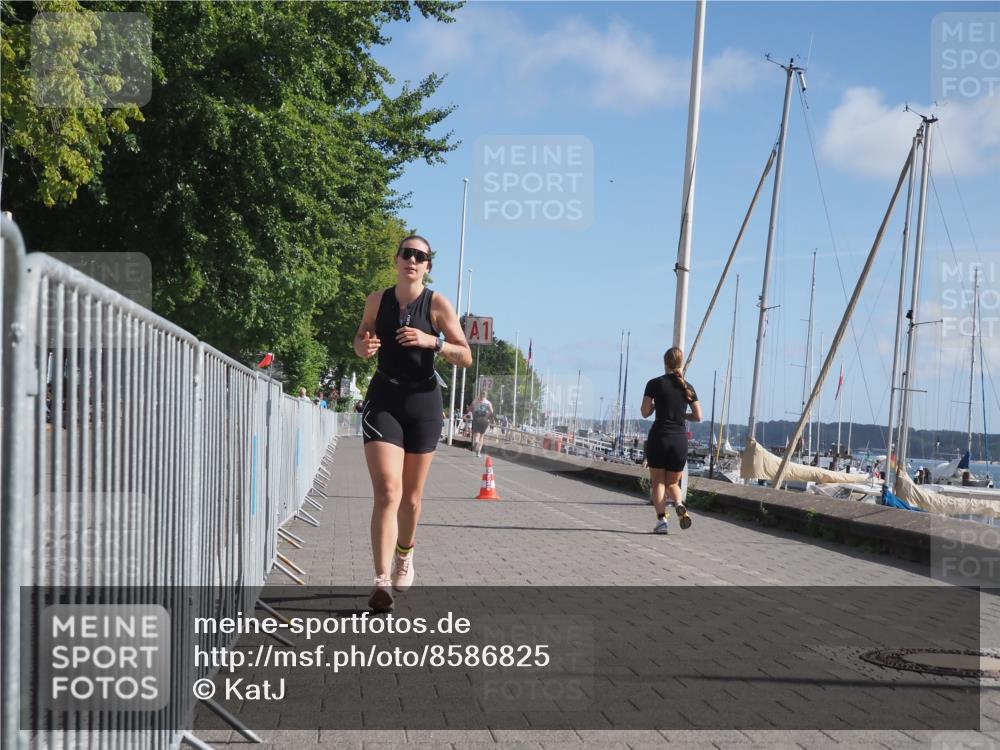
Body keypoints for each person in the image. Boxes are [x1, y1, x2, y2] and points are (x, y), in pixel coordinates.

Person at [354, 235, 472, 612]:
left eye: (420, 256)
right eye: (407, 253)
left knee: (412, 498)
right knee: (388, 491)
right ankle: (381, 581)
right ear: (396, 259)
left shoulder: (436, 304)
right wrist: (363, 347)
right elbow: (361, 337)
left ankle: (405, 554)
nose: (412, 260)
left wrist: (431, 341)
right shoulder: (378, 300)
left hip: (423, 402)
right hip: (384, 398)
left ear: (427, 266)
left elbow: (465, 356)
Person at [640, 347, 702, 534]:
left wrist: (655, 407)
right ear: (680, 363)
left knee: (657, 483)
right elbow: (698, 416)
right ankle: (678, 504)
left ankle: (661, 522)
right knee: (673, 484)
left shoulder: (654, 384)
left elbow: (644, 413)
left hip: (659, 437)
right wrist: (683, 415)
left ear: (665, 362)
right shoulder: (688, 387)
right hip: (679, 440)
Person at [468, 391, 494, 457]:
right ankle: (478, 453)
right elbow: (491, 411)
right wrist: (486, 415)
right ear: (486, 396)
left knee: (476, 434)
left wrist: (472, 409)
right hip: (484, 418)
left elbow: (470, 409)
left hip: (477, 417)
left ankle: (476, 441)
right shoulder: (488, 402)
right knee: (482, 436)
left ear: (480, 395)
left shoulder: (476, 401)